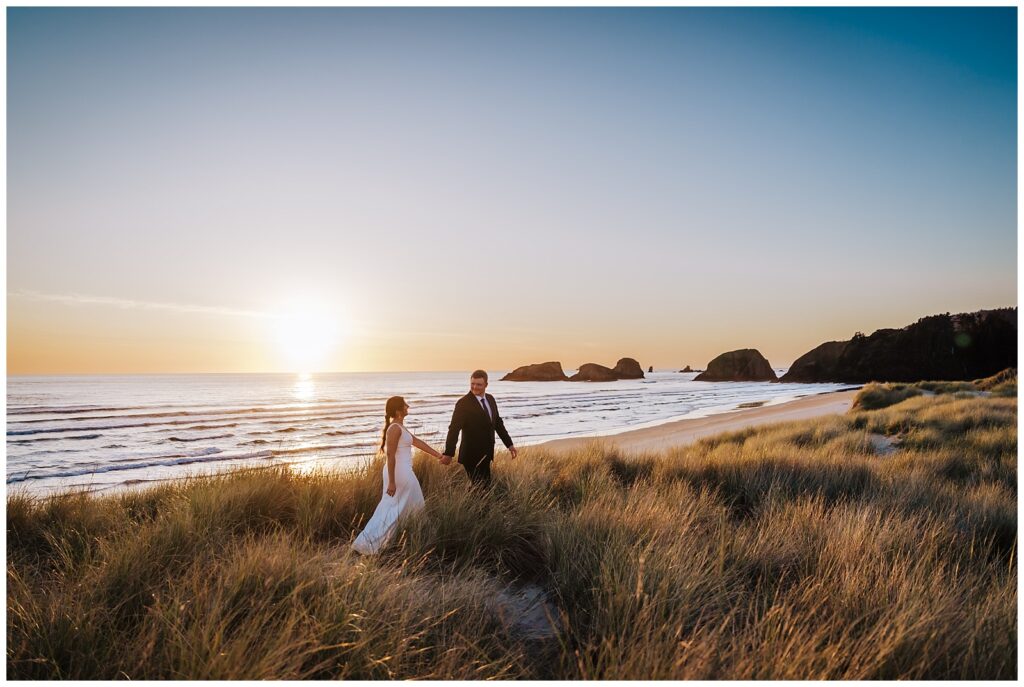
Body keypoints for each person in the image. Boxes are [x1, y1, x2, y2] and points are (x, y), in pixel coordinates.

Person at [352, 396, 446, 555]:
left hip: (402, 471)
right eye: (405, 405)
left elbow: (418, 442)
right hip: (398, 473)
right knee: (398, 507)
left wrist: (439, 456)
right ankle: (368, 544)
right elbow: (390, 455)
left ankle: (394, 543)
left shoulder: (400, 427)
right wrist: (392, 482)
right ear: (398, 410)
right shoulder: (394, 429)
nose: (407, 406)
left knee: (399, 507)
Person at [441, 369, 517, 488]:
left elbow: (497, 423)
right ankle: (475, 506)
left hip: (487, 454)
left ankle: (472, 505)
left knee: (483, 487)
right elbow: (454, 429)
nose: (475, 387)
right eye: (472, 384)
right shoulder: (463, 403)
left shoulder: (490, 399)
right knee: (480, 488)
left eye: (479, 384)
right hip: (470, 455)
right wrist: (449, 453)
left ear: (486, 385)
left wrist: (509, 444)